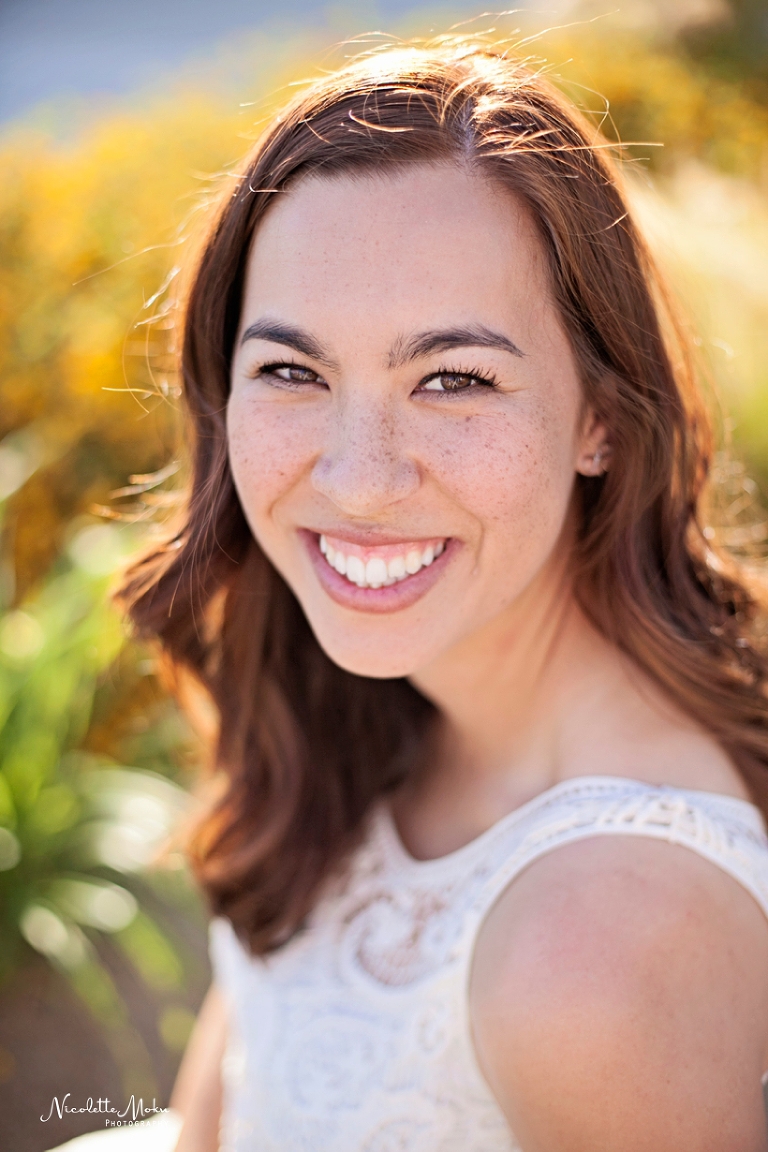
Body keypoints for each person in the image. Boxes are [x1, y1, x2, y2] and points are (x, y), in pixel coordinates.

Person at [118, 40, 768, 1152]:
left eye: (454, 380)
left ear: (602, 418)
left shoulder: (599, 948)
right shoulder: (360, 715)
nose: (358, 479)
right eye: (292, 371)